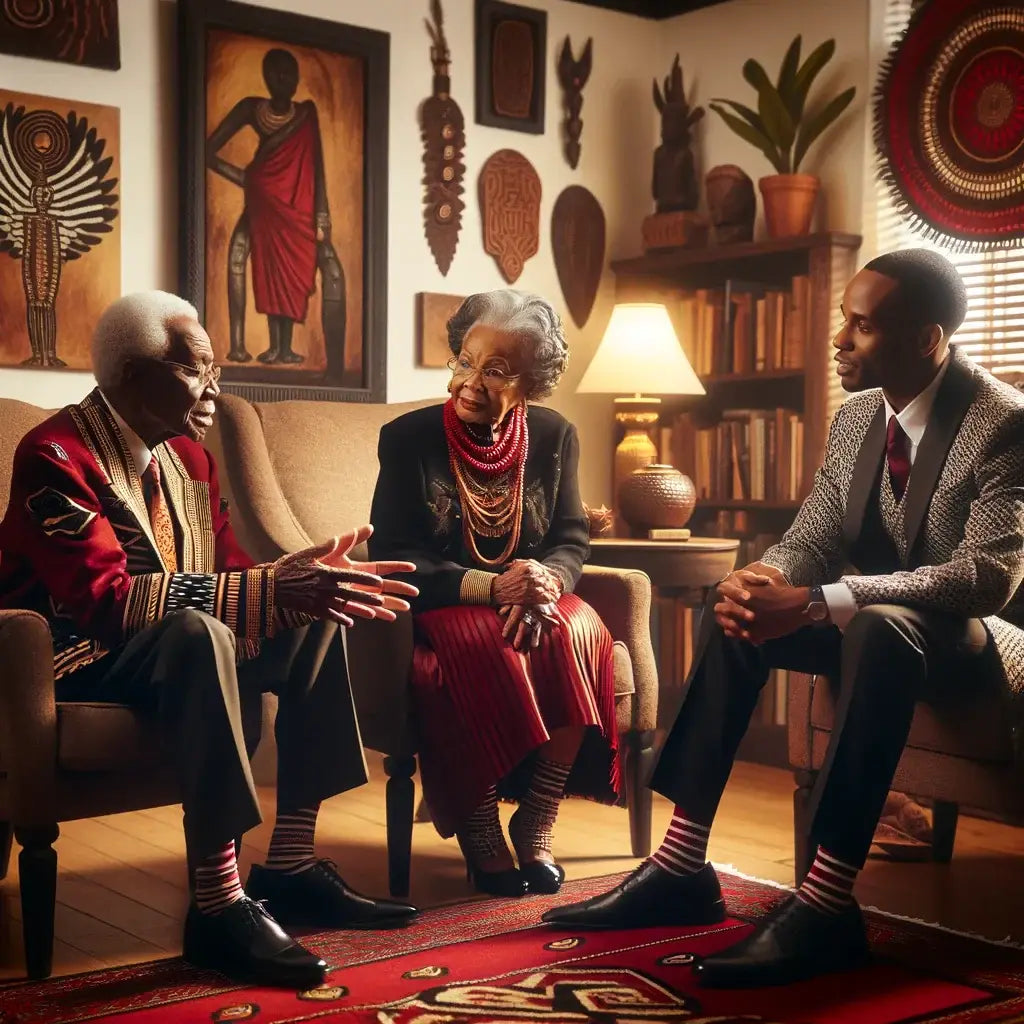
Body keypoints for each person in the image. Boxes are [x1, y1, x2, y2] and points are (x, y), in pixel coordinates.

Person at [542, 249, 1024, 986]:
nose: (839, 340)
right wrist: (761, 582)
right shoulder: (858, 416)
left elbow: (984, 578)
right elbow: (814, 534)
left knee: (878, 625)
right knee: (735, 608)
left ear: (927, 338)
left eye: (861, 327)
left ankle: (827, 906)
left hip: (970, 638)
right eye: (843, 320)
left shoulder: (1001, 424)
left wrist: (818, 601)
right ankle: (680, 867)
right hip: (873, 626)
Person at [0, 291, 419, 989]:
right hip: (65, 663)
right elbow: (104, 604)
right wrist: (266, 590)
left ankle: (288, 864)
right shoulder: (53, 453)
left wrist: (297, 577)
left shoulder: (192, 459)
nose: (215, 387)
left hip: (175, 650)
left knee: (316, 611)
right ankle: (218, 906)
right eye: (196, 369)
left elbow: (230, 575)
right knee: (199, 632)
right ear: (132, 377)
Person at [368, 290, 619, 898]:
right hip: (446, 600)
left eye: (498, 370)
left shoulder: (555, 435)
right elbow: (390, 551)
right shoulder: (407, 438)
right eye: (465, 361)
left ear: (531, 383)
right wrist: (489, 585)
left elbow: (570, 536)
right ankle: (480, 827)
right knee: (488, 647)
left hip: (532, 593)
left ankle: (537, 815)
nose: (471, 382)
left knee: (581, 631)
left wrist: (546, 580)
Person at [206, 47, 345, 366]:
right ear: (267, 78)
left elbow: (318, 169)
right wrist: (249, 180)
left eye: (290, 74)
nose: (285, 80)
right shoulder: (251, 108)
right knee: (269, 272)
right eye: (277, 73)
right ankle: (268, 347)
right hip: (264, 207)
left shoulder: (307, 115)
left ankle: (285, 348)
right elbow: (208, 150)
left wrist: (323, 217)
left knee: (295, 273)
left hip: (300, 209)